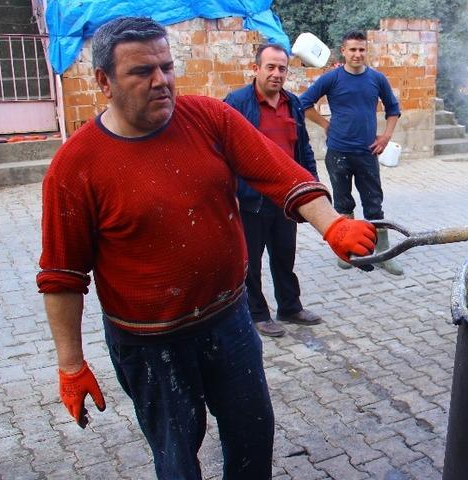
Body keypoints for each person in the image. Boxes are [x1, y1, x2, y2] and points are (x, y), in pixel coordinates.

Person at [37, 17, 376, 479]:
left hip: (229, 321)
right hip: (150, 342)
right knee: (176, 457)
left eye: (167, 66)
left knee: (253, 438)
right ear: (104, 81)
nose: (161, 81)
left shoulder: (208, 118)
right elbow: (62, 277)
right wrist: (71, 365)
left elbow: (282, 172)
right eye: (142, 72)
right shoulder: (75, 167)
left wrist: (332, 223)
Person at [224, 44, 323, 337]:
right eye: (270, 67)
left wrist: (312, 186)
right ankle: (257, 314)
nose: (276, 74)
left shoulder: (292, 103)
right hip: (250, 200)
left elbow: (302, 147)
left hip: (286, 198)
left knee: (284, 255)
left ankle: (290, 307)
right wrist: (230, 195)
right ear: (256, 69)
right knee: (251, 262)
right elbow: (223, 151)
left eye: (282, 68)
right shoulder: (237, 102)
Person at [299, 30, 404, 275]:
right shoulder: (332, 79)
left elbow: (393, 109)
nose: (357, 54)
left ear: (366, 51)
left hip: (367, 152)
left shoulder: (377, 79)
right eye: (352, 50)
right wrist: (325, 124)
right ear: (343, 52)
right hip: (338, 153)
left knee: (374, 204)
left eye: (361, 49)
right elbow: (303, 103)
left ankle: (383, 254)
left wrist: (386, 137)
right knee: (343, 202)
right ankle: (345, 250)